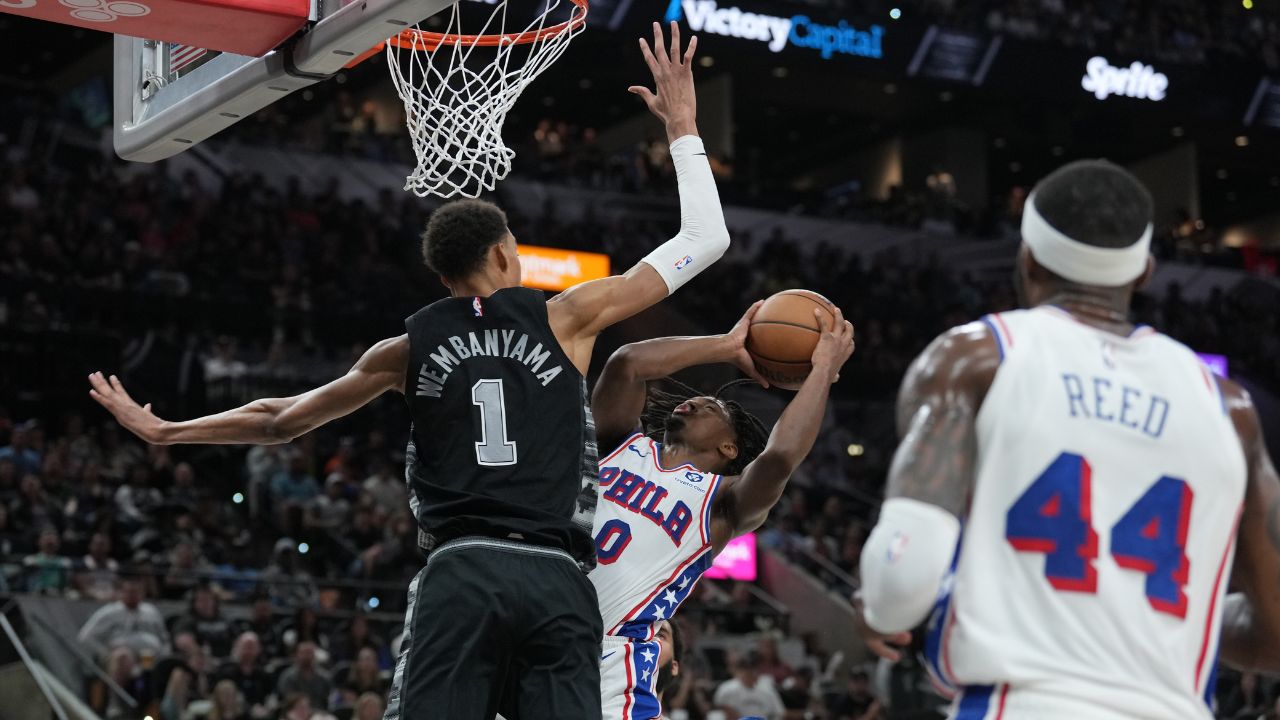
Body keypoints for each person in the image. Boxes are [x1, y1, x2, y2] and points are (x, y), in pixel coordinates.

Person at [89, 21, 729, 720]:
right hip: (557, 578)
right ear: (503, 256)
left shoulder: (405, 349)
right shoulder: (566, 318)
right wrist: (683, 126)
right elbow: (704, 239)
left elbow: (279, 420)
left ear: (442, 275)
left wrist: (169, 431)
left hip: (463, 572)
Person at [854, 159, 1280, 719]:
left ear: (1027, 258)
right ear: (1144, 272)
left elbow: (902, 575)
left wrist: (881, 607)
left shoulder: (973, 359)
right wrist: (1138, 613)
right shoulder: (1231, 409)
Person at [587, 300, 854, 719]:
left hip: (610, 656)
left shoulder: (722, 502)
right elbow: (628, 363)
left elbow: (780, 457)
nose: (694, 403)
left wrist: (822, 368)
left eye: (711, 408)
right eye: (696, 400)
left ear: (729, 447)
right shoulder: (620, 444)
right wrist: (727, 345)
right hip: (536, 617)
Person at [79, 576, 171, 663]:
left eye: (136, 592)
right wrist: (105, 654)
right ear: (121, 592)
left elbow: (164, 638)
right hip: (118, 658)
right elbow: (85, 636)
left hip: (149, 658)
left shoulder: (151, 611)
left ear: (142, 593)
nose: (133, 595)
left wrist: (163, 656)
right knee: (123, 657)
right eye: (130, 592)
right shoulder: (109, 612)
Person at [713, 653, 785, 720]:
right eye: (745, 670)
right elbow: (721, 708)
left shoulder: (767, 689)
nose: (749, 674)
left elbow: (779, 713)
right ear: (739, 671)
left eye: (752, 670)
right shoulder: (727, 688)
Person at [276, 641, 332, 711]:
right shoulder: (288, 677)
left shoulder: (324, 677)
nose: (306, 656)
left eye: (309, 653)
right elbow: (288, 700)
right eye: (303, 653)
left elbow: (330, 698)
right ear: (297, 655)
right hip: (296, 712)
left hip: (320, 712)